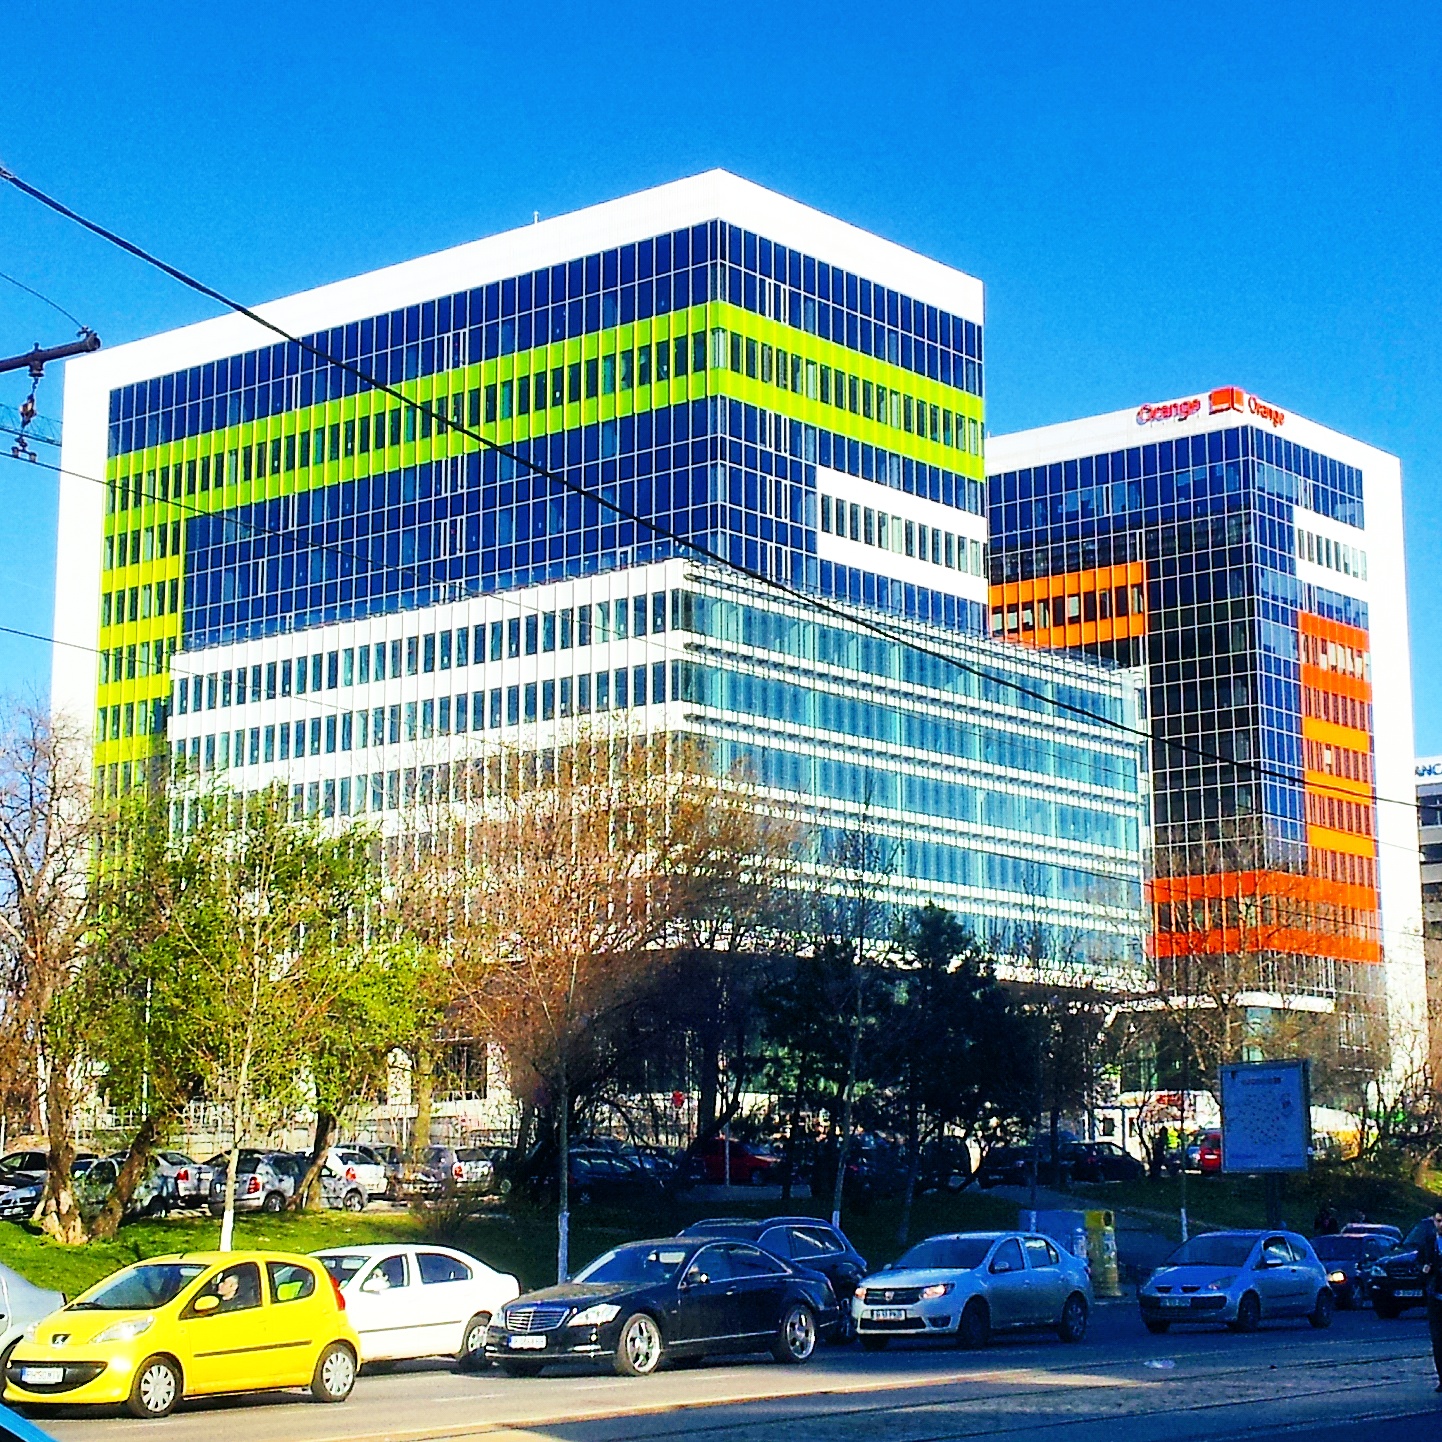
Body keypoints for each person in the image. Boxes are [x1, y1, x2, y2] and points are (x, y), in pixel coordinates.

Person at [1417, 1207, 1442, 1392]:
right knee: (1438, 1339)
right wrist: (1424, 1267)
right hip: (1436, 1296)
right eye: (1437, 1221)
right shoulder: (1430, 1240)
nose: (1440, 1225)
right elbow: (1420, 1259)